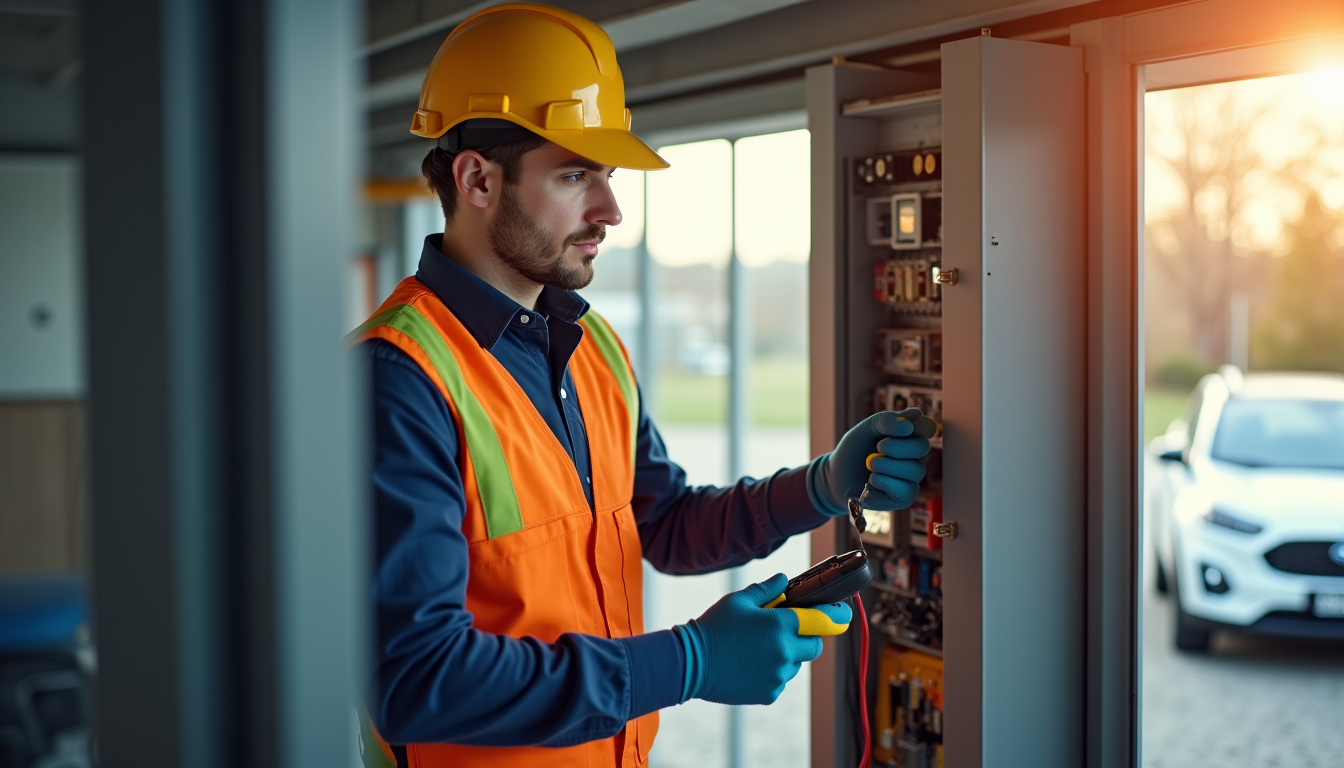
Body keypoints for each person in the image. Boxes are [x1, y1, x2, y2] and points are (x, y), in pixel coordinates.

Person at [351, 5, 935, 767]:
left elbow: (663, 525)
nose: (610, 211)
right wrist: (688, 662)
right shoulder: (397, 380)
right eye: (573, 174)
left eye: (608, 176)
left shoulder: (590, 346)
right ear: (477, 178)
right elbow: (416, 678)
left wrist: (821, 487)